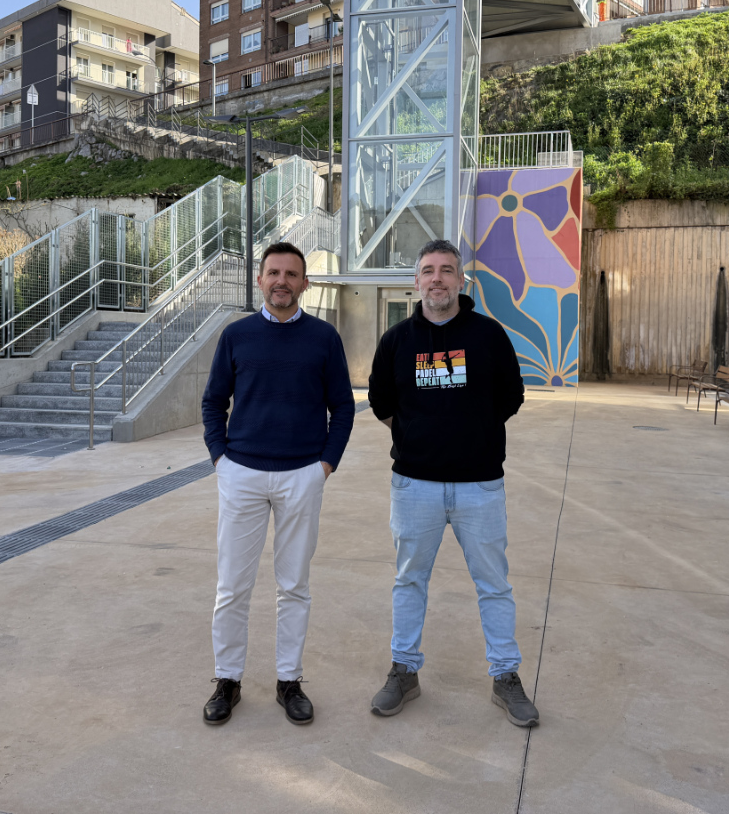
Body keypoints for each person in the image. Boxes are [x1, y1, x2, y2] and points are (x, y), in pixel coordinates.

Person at [366, 239, 538, 727]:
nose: (437, 278)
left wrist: (473, 434)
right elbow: (381, 402)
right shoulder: (396, 340)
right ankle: (404, 671)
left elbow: (512, 394)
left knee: (494, 585)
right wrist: (420, 436)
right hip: (414, 485)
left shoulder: (488, 335)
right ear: (415, 281)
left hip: (479, 486)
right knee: (408, 581)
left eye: (447, 270)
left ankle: (506, 677)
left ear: (462, 280)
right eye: (428, 271)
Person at [200, 241, 355, 726]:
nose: (282, 281)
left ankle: (289, 680)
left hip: (302, 475)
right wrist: (221, 461)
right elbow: (212, 403)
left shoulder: (324, 338)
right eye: (273, 273)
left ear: (304, 283)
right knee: (232, 586)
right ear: (260, 280)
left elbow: (344, 407)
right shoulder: (236, 335)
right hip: (241, 474)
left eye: (292, 274)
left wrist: (324, 465)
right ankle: (228, 680)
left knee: (294, 585)